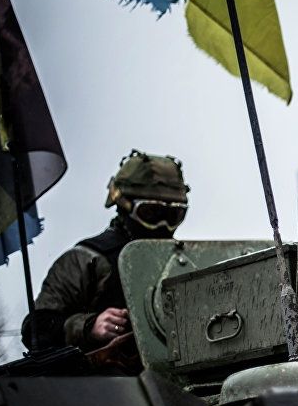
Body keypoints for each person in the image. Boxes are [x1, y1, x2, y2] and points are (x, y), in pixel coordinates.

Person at [21, 150, 190, 355]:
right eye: (151, 213)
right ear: (124, 206)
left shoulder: (187, 261)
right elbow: (35, 328)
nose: (163, 225)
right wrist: (89, 326)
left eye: (174, 215)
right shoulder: (87, 259)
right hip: (106, 373)